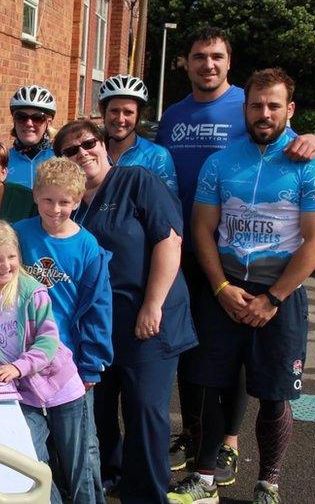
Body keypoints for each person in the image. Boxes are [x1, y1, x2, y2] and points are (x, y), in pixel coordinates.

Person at [157, 26, 315, 483]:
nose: (207, 64)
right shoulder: (173, 115)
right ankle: (196, 441)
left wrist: (314, 139)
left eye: (216, 56)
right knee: (196, 357)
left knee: (245, 359)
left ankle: (228, 443)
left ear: (229, 63)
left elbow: (284, 134)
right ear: (186, 63)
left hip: (236, 252)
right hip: (184, 246)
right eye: (198, 56)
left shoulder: (247, 104)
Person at [54, 120, 197, 503]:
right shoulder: (67, 208)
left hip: (149, 319)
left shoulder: (138, 181)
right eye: (71, 150)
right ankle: (110, 476)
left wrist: (152, 305)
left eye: (88, 143)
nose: (82, 153)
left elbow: (169, 241)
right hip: (100, 327)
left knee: (145, 411)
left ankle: (148, 493)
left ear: (102, 144)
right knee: (100, 411)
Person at [0, 220, 90, 504]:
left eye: (11, 257)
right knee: (32, 462)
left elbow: (47, 341)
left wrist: (18, 366)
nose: (6, 265)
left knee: (78, 467)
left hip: (60, 385)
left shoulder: (31, 292)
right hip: (22, 394)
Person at [13, 156, 114, 503]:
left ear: (78, 199)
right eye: (48, 200)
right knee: (28, 447)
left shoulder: (88, 247)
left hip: (69, 361)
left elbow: (99, 307)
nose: (55, 209)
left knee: (81, 449)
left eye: (65, 202)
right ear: (36, 195)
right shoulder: (19, 234)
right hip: (22, 358)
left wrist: (92, 363)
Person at [99, 75, 178, 194]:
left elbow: (166, 208)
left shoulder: (157, 156)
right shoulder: (89, 152)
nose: (120, 119)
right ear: (102, 111)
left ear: (138, 116)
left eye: (128, 112)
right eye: (114, 111)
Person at [6, 85, 57, 189]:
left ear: (49, 123)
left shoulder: (60, 157)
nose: (29, 123)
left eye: (37, 118)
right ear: (14, 121)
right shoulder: (2, 159)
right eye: (21, 117)